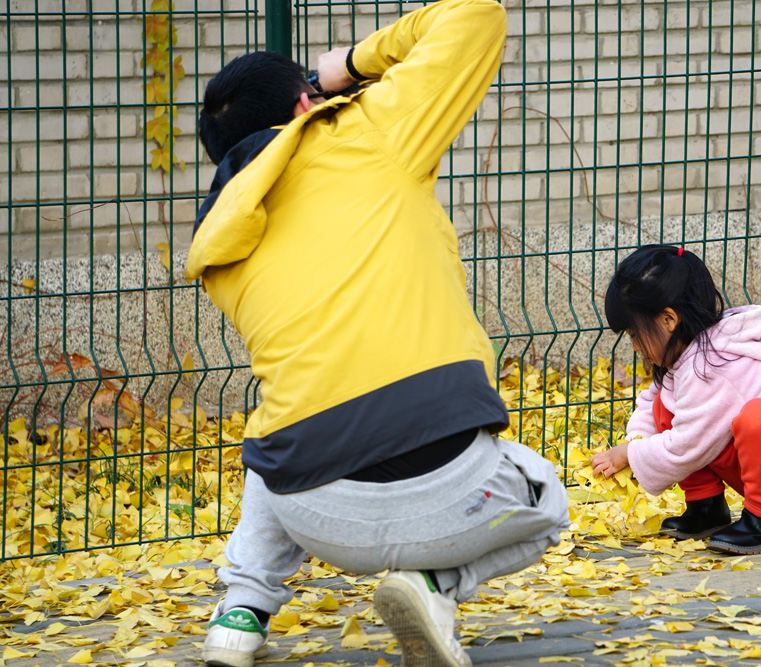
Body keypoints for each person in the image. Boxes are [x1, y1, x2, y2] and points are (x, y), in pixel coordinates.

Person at [185, 1, 570, 666]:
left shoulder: (217, 246)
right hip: (454, 493)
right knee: (549, 500)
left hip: (316, 514)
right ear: (308, 106)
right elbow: (477, 16)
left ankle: (240, 612)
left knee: (277, 416)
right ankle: (435, 583)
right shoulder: (370, 129)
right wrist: (352, 65)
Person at [590, 245, 761, 555]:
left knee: (758, 416)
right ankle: (706, 509)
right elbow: (651, 400)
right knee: (666, 403)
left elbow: (688, 445)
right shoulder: (686, 355)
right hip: (760, 460)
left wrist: (632, 453)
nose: (636, 346)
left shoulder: (713, 366)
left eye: (634, 333)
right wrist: (639, 438)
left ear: (668, 319)